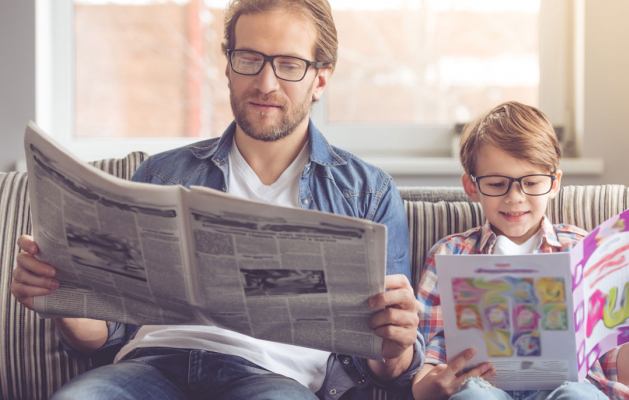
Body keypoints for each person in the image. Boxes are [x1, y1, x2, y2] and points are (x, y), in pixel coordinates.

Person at [10, 1, 423, 399]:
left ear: (320, 78)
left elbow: (388, 369)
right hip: (151, 366)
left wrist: (397, 345)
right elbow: (105, 337)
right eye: (248, 58)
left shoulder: (369, 193)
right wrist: (61, 298)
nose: (265, 83)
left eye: (289, 64)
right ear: (227, 65)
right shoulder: (161, 175)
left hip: (273, 377)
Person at [411, 101, 629, 400]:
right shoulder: (450, 253)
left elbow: (616, 370)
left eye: (530, 182)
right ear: (472, 186)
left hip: (568, 388)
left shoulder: (583, 250)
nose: (515, 197)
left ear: (554, 184)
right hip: (482, 387)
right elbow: (429, 361)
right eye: (497, 183)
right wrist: (427, 389)